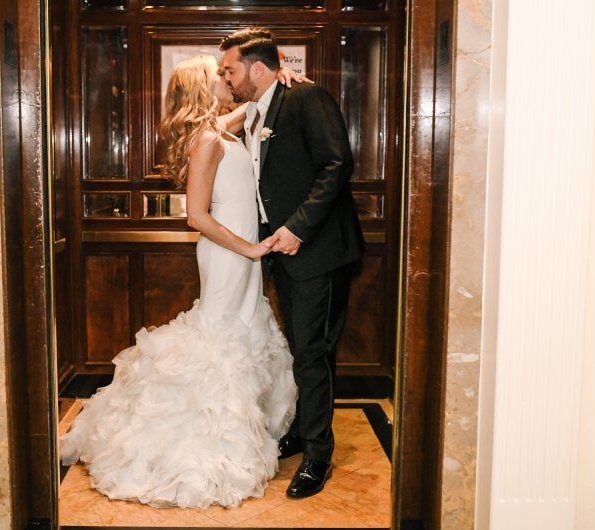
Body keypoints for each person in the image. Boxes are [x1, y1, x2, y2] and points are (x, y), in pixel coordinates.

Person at [59, 56, 307, 509]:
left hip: (242, 251)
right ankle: (205, 440)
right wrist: (249, 249)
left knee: (239, 330)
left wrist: (280, 78)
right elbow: (196, 216)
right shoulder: (207, 140)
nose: (225, 78)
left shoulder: (218, 128)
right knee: (219, 336)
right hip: (230, 252)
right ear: (201, 87)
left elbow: (254, 110)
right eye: (219, 74)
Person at [220, 27, 365, 499]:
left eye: (231, 69)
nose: (226, 78)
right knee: (304, 348)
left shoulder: (306, 100)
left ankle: (318, 458)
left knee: (313, 353)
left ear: (256, 69)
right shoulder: (260, 108)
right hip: (283, 253)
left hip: (318, 251)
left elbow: (336, 164)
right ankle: (304, 432)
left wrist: (298, 227)